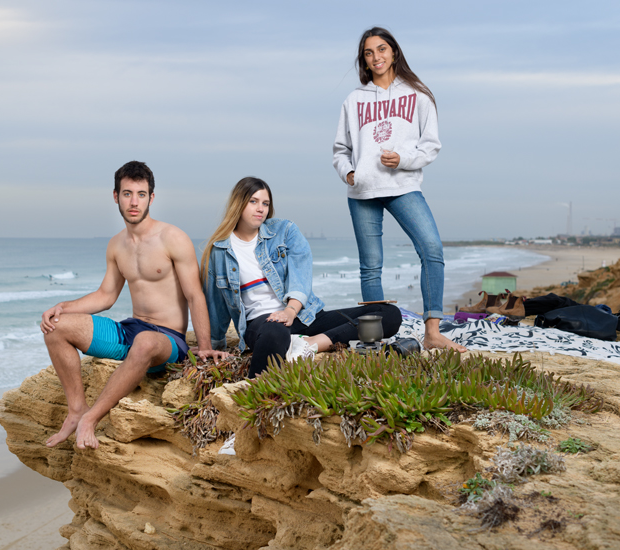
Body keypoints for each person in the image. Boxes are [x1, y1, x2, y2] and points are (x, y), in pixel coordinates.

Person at [40, 161, 228, 449]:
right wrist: (62, 308)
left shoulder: (172, 238)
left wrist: (203, 346)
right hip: (130, 330)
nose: (134, 202)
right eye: (127, 194)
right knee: (55, 328)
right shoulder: (116, 245)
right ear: (115, 196)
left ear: (152, 198)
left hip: (166, 340)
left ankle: (91, 418)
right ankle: (76, 409)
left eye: (141, 194)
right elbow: (106, 295)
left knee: (144, 342)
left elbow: (195, 295)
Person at [332, 26, 466, 352]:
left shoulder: (418, 95)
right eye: (368, 52)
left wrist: (403, 159)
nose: (376, 57)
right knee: (371, 265)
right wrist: (349, 172)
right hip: (363, 191)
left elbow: (431, 146)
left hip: (403, 185)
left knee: (432, 248)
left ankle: (432, 332)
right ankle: (374, 340)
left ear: (393, 51)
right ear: (363, 60)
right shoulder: (354, 100)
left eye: (381, 49)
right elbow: (340, 149)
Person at [201, 177, 402, 377]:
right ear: (238, 203)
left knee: (388, 313)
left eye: (265, 203)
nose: (260, 208)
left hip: (303, 315)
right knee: (276, 332)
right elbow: (216, 305)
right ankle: (254, 388)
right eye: (253, 201)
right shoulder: (220, 251)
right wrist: (213, 345)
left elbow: (301, 276)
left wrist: (290, 311)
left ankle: (310, 344)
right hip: (263, 324)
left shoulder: (285, 231)